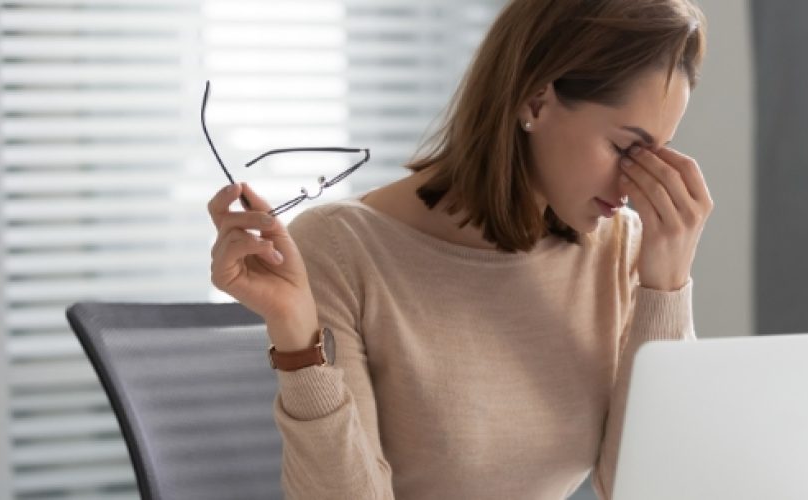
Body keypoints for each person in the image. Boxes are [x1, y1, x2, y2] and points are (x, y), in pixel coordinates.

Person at [206, 0, 711, 498]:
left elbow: (644, 486)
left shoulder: (619, 250)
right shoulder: (344, 249)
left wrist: (666, 285)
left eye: (658, 153)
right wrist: (298, 342)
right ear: (535, 102)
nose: (635, 184)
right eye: (627, 149)